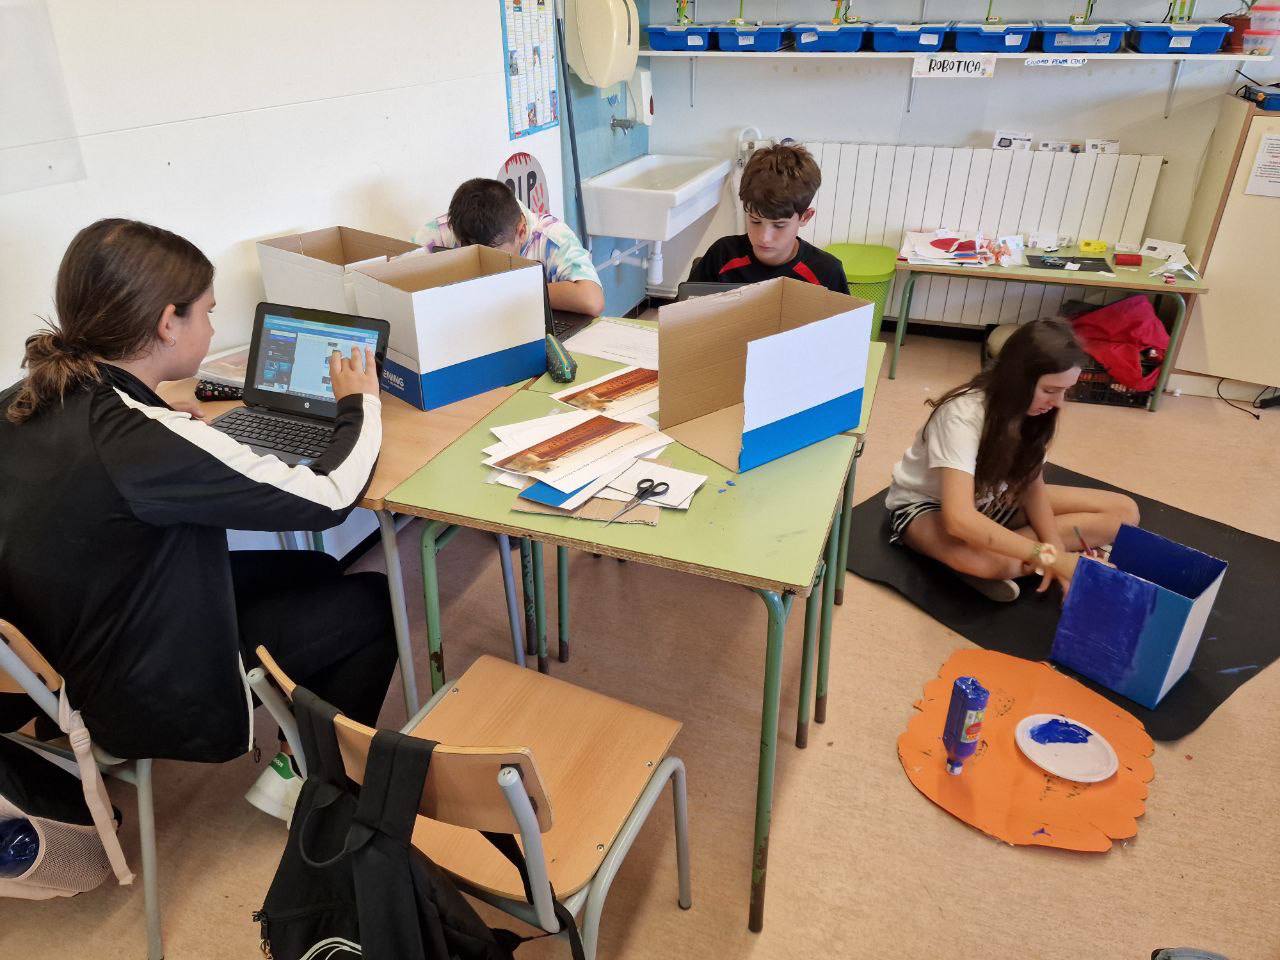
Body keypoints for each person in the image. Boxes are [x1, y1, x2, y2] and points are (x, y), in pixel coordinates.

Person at [0, 219, 397, 822]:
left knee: (315, 566)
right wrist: (359, 403)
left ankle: (300, 751)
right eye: (207, 312)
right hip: (134, 684)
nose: (212, 327)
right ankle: (310, 786)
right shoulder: (137, 439)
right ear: (168, 322)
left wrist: (155, 415)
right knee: (374, 601)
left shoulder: (25, 399)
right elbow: (330, 496)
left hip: (60, 651)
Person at [884, 318, 1141, 602]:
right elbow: (959, 519)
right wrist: (1052, 557)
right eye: (1050, 391)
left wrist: (1055, 551)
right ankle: (990, 557)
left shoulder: (1035, 410)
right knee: (993, 562)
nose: (1058, 403)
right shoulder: (962, 414)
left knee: (1125, 512)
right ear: (1017, 380)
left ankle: (997, 551)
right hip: (930, 508)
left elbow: (1031, 485)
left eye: (1065, 391)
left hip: (989, 501)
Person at [414, 177, 604, 316]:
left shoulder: (551, 237)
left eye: (491, 258)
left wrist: (507, 289)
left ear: (521, 232)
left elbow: (591, 300)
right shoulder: (441, 232)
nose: (483, 268)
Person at [688, 142, 848, 294]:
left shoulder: (827, 272)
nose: (764, 238)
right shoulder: (722, 255)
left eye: (779, 225)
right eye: (755, 221)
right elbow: (683, 308)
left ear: (805, 217)